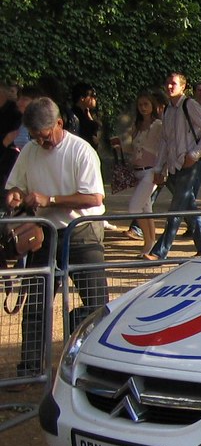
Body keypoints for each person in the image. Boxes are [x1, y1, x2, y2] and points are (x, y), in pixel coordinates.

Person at [4, 97, 108, 375]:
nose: (41, 143)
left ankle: (97, 364)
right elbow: (14, 185)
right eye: (36, 138)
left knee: (97, 303)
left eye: (45, 136)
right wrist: (14, 196)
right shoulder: (29, 151)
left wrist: (49, 200)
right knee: (36, 303)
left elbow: (94, 197)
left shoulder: (81, 150)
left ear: (59, 124)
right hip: (45, 234)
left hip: (81, 232)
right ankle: (30, 367)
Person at [144, 72, 201, 260]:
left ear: (183, 87)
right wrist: (159, 168)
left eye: (173, 84)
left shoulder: (189, 105)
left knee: (176, 210)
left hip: (188, 165)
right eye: (167, 83)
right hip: (175, 166)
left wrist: (194, 154)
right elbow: (165, 142)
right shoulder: (168, 110)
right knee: (188, 207)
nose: (169, 87)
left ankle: (160, 252)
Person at [126, 92, 163, 255]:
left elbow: (164, 147)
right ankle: (149, 243)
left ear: (152, 105)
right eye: (140, 105)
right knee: (146, 208)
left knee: (134, 208)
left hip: (151, 170)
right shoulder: (137, 125)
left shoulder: (158, 125)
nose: (143, 108)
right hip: (138, 170)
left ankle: (149, 242)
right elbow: (133, 149)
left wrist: (162, 170)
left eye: (146, 104)